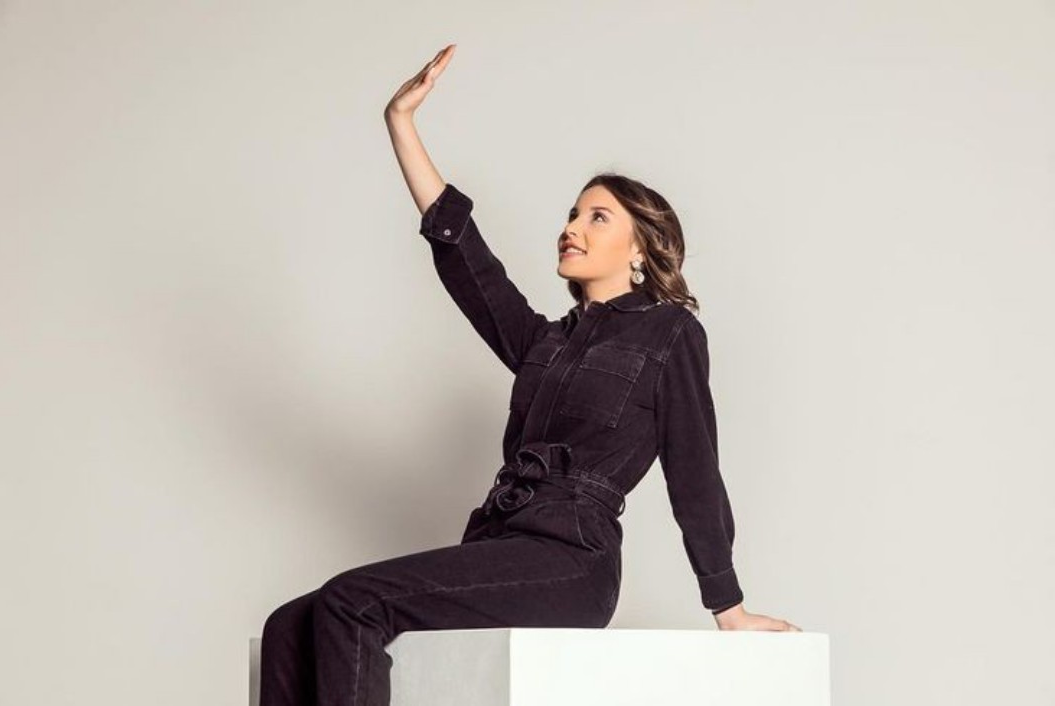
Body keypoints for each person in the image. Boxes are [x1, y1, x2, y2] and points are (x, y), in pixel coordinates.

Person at [259, 43, 801, 706]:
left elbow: (695, 470)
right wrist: (401, 124)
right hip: (501, 542)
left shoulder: (669, 334)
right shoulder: (545, 342)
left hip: (572, 561)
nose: (572, 227)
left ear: (639, 247)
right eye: (572, 214)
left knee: (352, 601)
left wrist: (728, 605)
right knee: (288, 625)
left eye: (597, 216)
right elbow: (467, 260)